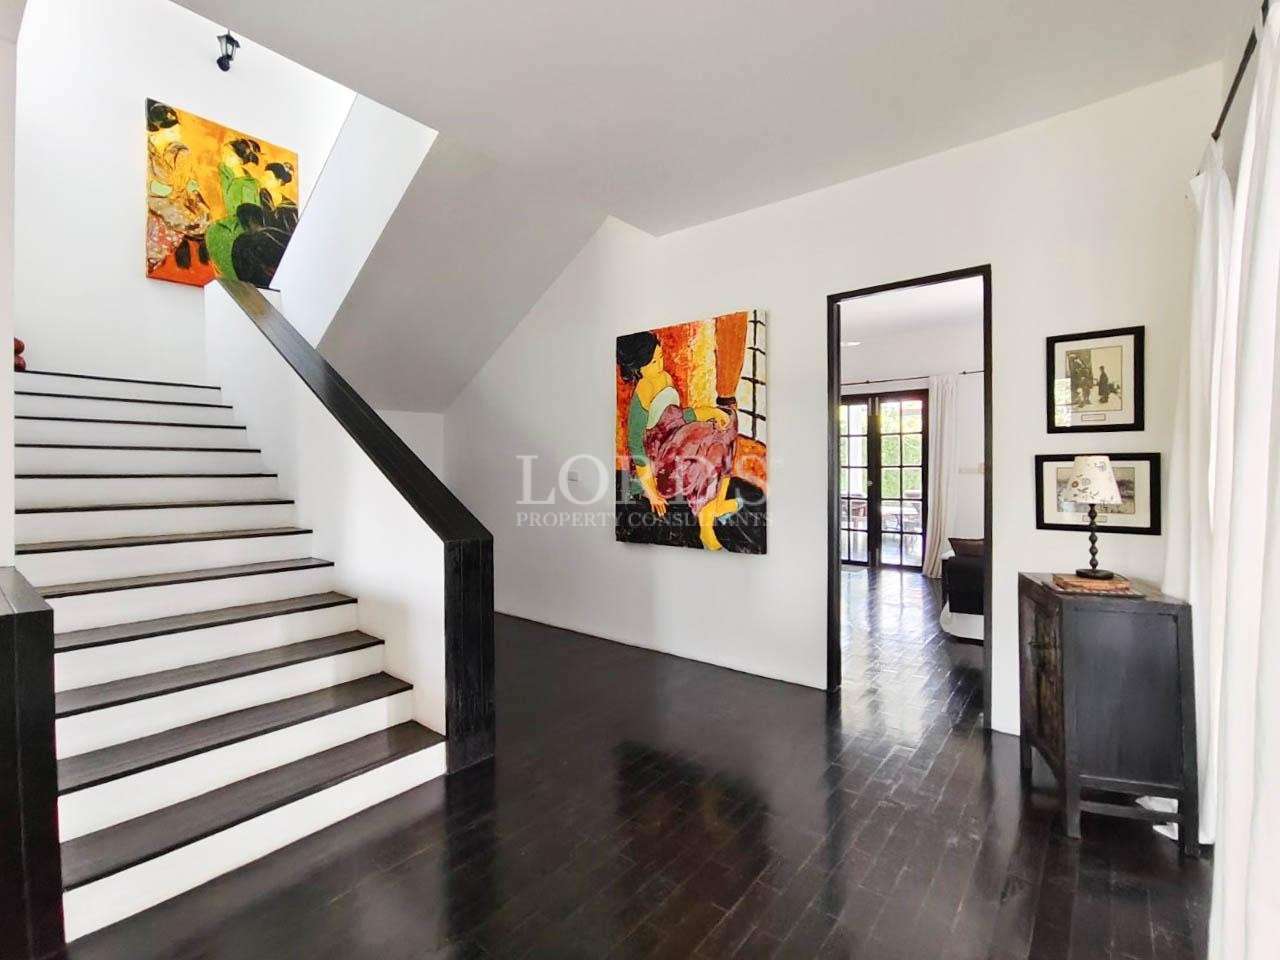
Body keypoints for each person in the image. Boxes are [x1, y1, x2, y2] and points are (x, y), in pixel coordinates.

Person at [617, 331, 741, 550]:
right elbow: (635, 444)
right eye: (653, 361)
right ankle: (706, 530)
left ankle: (717, 503)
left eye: (660, 357)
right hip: (660, 462)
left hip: (679, 437)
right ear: (638, 367)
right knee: (703, 449)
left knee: (727, 423)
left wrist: (712, 411)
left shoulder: (665, 378)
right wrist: (652, 492)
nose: (660, 364)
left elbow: (680, 416)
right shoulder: (642, 395)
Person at [145, 100, 211, 274]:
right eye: (170, 129)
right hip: (162, 214)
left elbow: (191, 185)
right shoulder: (148, 156)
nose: (177, 132)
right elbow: (156, 192)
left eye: (176, 127)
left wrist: (192, 192)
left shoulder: (178, 152)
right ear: (154, 132)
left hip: (182, 209)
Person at [230, 160, 299, 287]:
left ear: (279, 181)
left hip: (280, 249)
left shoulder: (290, 208)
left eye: (268, 177)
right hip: (261, 248)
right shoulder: (261, 197)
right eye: (264, 175)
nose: (263, 179)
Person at [205, 137, 264, 280]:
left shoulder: (247, 186)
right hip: (228, 221)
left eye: (230, 155)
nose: (224, 157)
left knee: (217, 235)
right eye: (223, 153)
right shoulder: (226, 171)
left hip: (240, 228)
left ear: (240, 160)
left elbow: (250, 218)